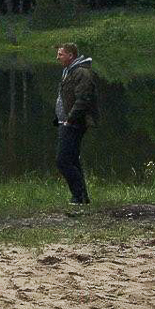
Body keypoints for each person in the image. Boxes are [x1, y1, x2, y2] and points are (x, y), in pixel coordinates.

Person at [53, 42, 98, 205]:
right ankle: (81, 197)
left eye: (60, 54)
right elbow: (65, 98)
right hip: (66, 122)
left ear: (71, 55)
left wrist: (70, 119)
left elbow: (83, 99)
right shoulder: (69, 71)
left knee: (63, 160)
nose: (57, 57)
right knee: (71, 159)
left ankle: (79, 196)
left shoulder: (82, 73)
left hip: (74, 123)